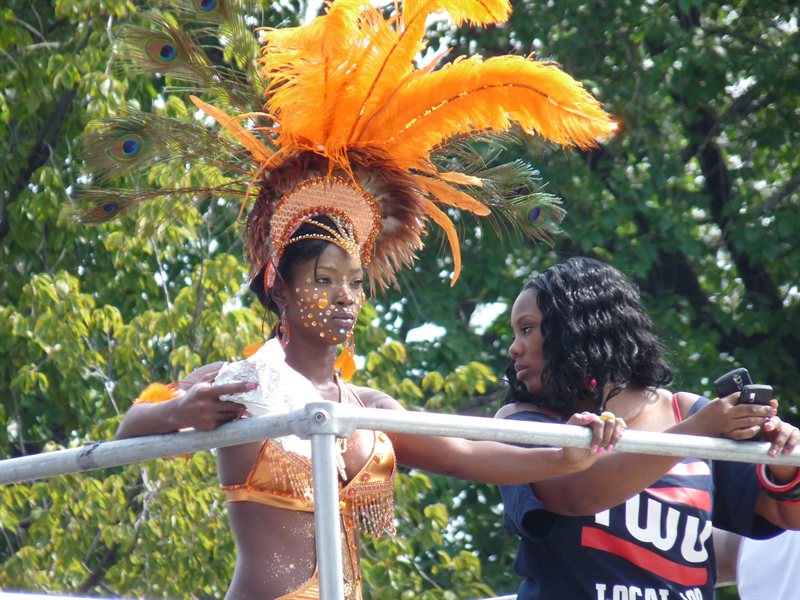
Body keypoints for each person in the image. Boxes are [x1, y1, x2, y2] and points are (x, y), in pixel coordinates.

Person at [100, 2, 623, 597]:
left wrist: (570, 453)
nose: (346, 298)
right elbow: (128, 432)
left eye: (354, 281)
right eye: (324, 280)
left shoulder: (370, 406)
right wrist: (178, 412)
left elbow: (470, 451)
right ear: (280, 286)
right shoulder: (243, 385)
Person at [496, 256, 800, 600]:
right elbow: (576, 494)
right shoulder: (522, 420)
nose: (513, 348)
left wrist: (783, 464)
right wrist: (696, 432)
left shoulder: (684, 410)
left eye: (527, 329)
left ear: (576, 325)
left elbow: (783, 516)